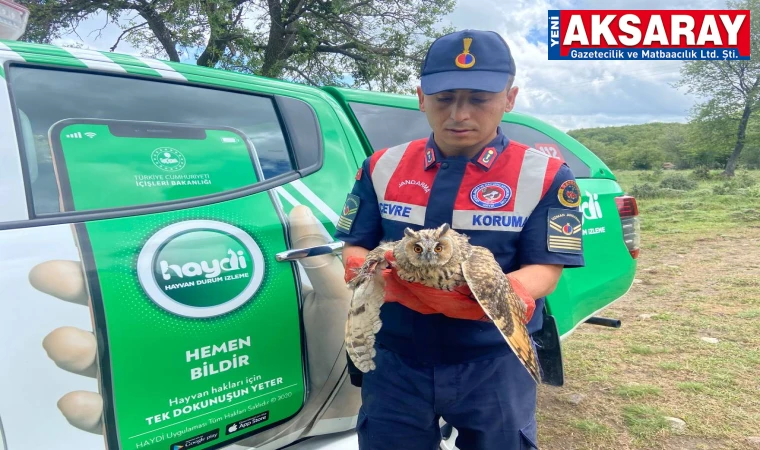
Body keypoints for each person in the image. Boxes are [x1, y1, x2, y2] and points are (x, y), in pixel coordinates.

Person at [334, 29, 586, 450]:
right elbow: (356, 243)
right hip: (396, 356)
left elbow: (547, 267)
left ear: (509, 98)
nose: (460, 115)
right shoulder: (381, 166)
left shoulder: (546, 175)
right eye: (445, 99)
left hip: (492, 357)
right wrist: (373, 277)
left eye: (479, 99)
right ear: (421, 97)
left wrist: (498, 295)